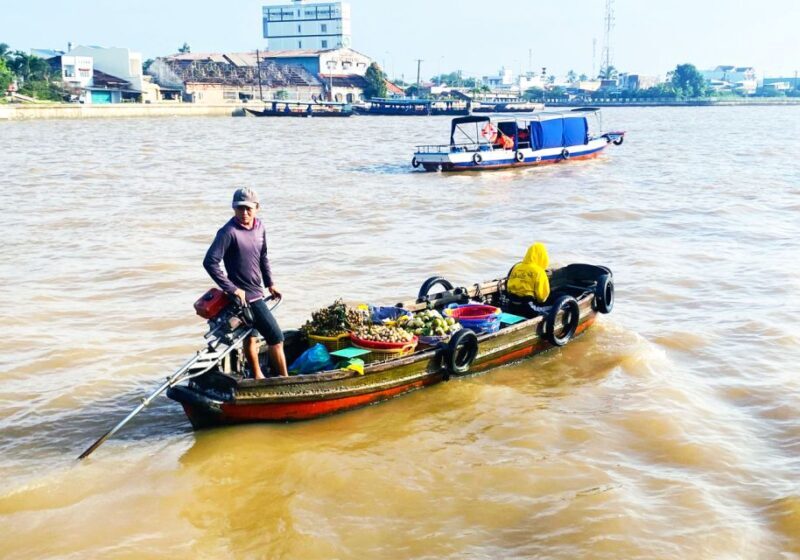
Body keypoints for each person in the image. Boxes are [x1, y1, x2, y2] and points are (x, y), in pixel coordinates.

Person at [203, 187, 288, 379]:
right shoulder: (228, 232)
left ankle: (258, 377)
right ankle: (286, 380)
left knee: (251, 336)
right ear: (234, 209)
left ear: (257, 207)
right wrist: (232, 289)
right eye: (239, 208)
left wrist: (270, 283)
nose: (244, 213)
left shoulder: (260, 228)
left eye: (248, 208)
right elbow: (210, 262)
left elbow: (263, 256)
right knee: (277, 338)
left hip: (258, 290)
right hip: (245, 298)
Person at [505, 242, 551, 318]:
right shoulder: (539, 271)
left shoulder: (517, 267)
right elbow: (542, 297)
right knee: (553, 307)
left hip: (511, 305)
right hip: (528, 308)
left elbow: (508, 287)